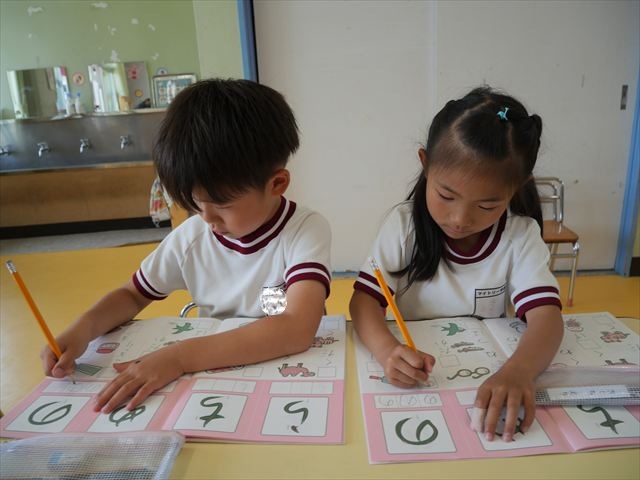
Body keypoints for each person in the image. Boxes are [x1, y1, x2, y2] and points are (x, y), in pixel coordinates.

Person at [41, 78, 332, 414]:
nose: (207, 219)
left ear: (277, 183)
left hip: (283, 375)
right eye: (195, 203)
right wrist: (83, 329)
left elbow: (296, 329)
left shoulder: (304, 230)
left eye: (222, 205)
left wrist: (178, 357)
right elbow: (132, 295)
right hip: (215, 375)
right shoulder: (192, 236)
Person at [350, 86, 563, 442]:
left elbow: (547, 317)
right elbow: (363, 302)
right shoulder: (403, 226)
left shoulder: (519, 236)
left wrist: (520, 370)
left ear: (517, 188)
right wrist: (387, 351)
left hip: (482, 373)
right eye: (446, 195)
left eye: (487, 205)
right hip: (420, 378)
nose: (460, 219)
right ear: (425, 164)